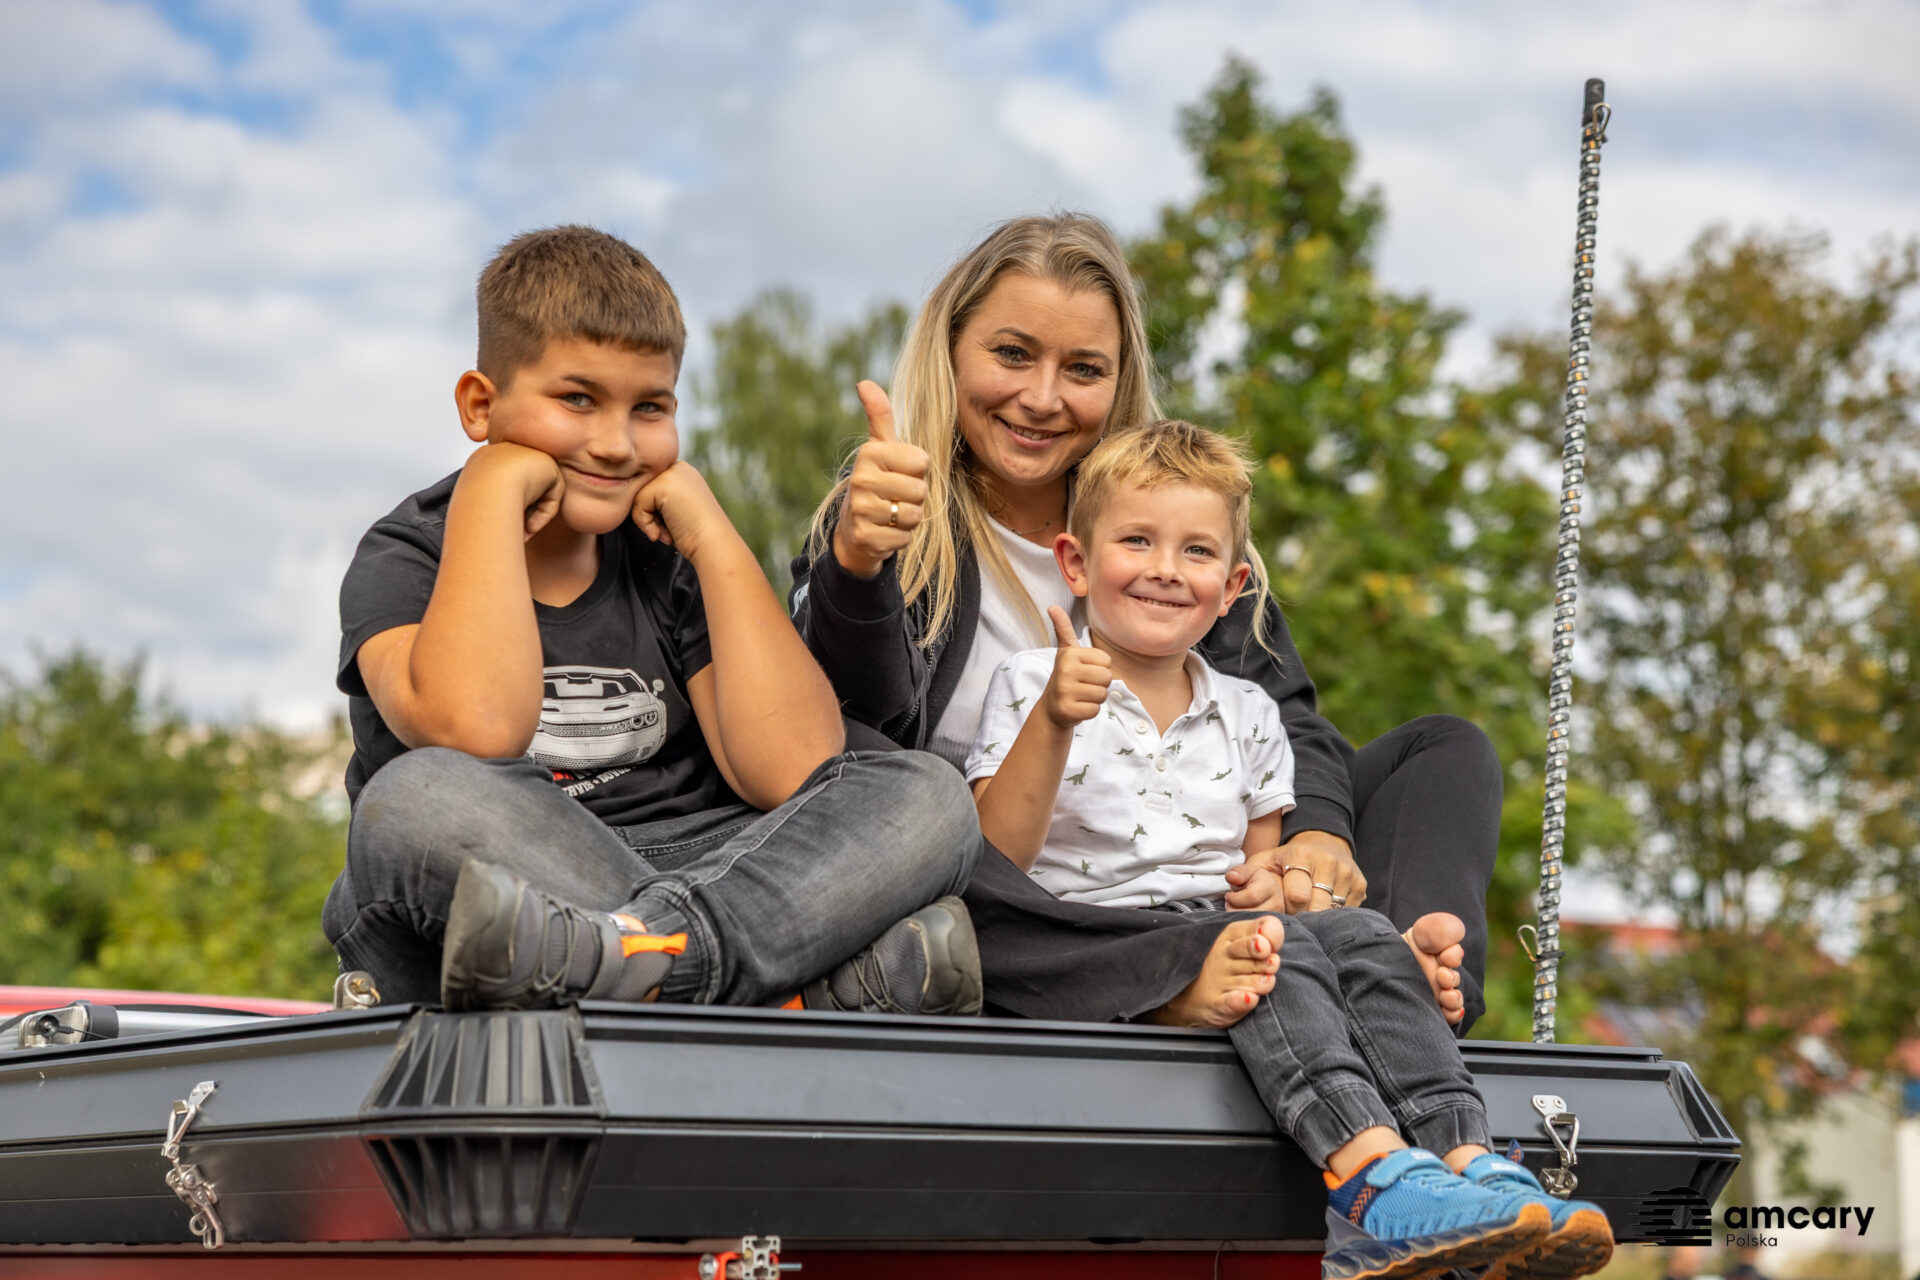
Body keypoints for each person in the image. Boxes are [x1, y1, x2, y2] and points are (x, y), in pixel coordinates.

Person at [790, 211, 1503, 1028]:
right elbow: (836, 728)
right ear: (952, 353)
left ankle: (1406, 984)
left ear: (1120, 380)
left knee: (1446, 750)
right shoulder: (884, 518)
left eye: (1083, 368)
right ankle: (1182, 980)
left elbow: (1290, 721)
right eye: (1013, 353)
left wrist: (1318, 840)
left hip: (1204, 874)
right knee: (935, 853)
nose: (1042, 397)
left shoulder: (1170, 535)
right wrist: (857, 567)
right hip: (1021, 892)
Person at [965, 419, 1614, 1280]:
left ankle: (1470, 1166)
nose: (1165, 567)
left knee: (1365, 938)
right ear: (1076, 564)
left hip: (1221, 922)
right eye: (1137, 541)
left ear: (1231, 586)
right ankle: (1369, 1178)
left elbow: (1258, 870)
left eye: (1196, 551)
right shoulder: (1033, 680)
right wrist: (1053, 720)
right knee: (1271, 955)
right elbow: (997, 853)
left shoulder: (1250, 714)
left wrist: (1286, 894)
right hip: (1100, 935)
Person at [322, 225, 983, 1016]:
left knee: (926, 793)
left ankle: (657, 962)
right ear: (480, 405)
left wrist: (714, 540)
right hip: (501, 879)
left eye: (650, 408)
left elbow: (794, 767)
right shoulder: (406, 554)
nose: (614, 444)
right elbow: (477, 728)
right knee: (416, 798)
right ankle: (777, 984)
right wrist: (490, 495)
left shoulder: (666, 558)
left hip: (711, 863)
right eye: (577, 399)